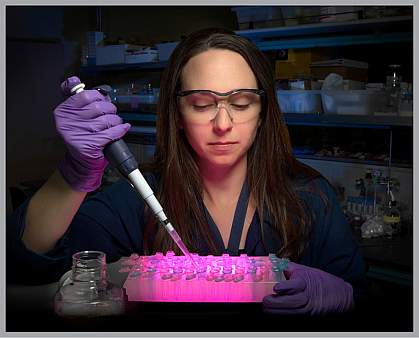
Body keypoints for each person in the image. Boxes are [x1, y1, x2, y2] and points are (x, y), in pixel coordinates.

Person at [7, 27, 366, 315]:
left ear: (262, 112)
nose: (223, 123)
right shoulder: (134, 199)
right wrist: (71, 178)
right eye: (201, 104)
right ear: (177, 115)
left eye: (241, 103)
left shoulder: (310, 197)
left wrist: (347, 297)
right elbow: (24, 269)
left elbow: (373, 305)